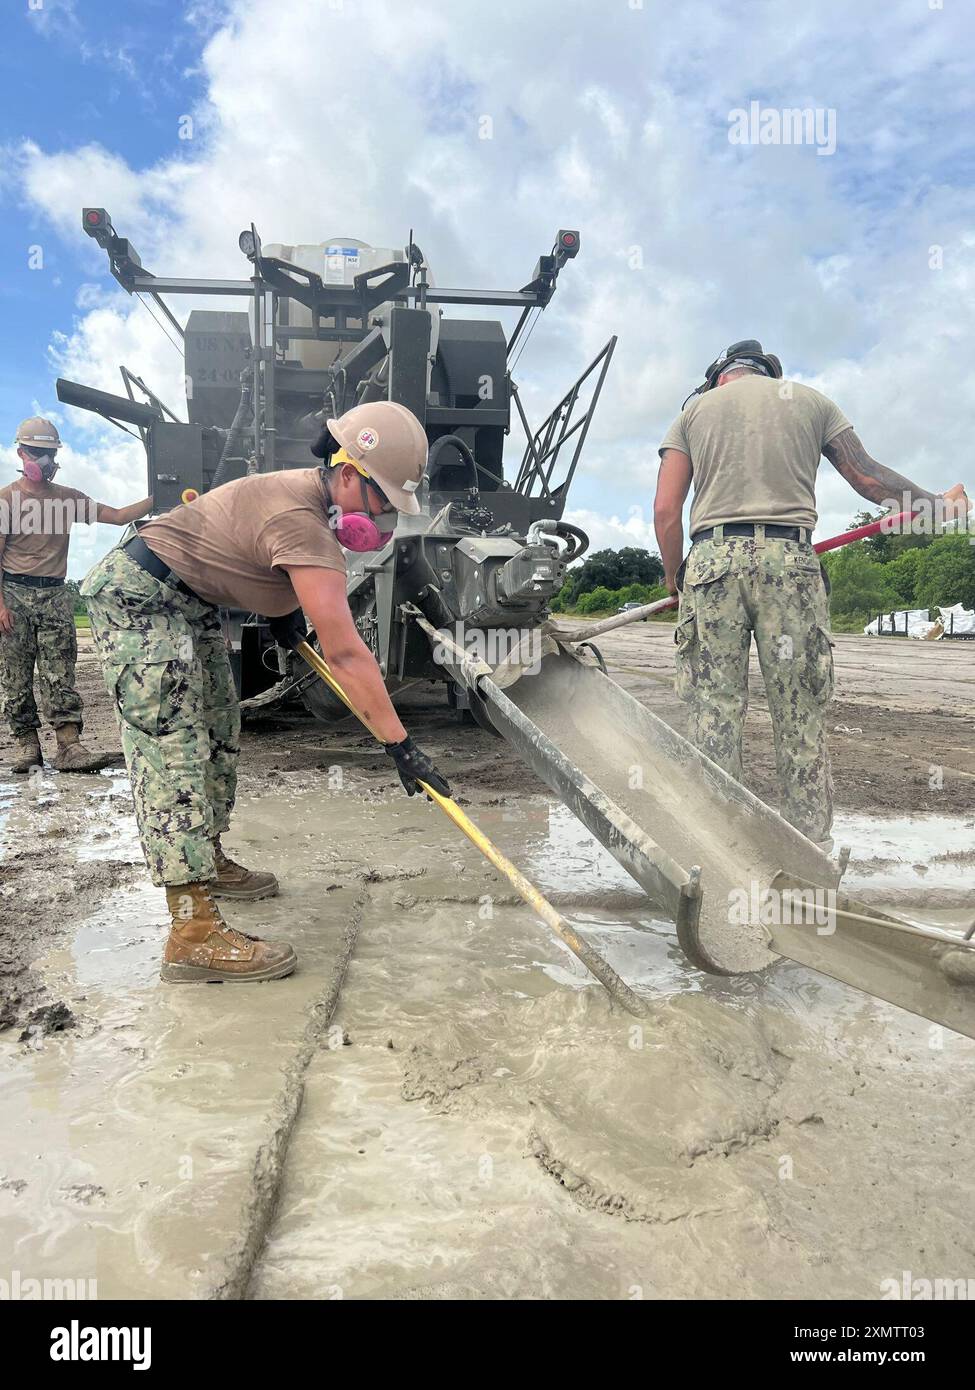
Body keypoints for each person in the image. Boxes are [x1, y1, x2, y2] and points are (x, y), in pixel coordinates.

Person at [80, 400, 451, 985]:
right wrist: (400, 746)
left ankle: (208, 856)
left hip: (192, 602)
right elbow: (347, 653)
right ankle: (192, 931)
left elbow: (240, 550)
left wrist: (279, 607)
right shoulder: (300, 519)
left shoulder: (315, 499)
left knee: (220, 731)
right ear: (348, 472)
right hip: (141, 600)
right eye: (382, 501)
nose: (382, 519)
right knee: (172, 749)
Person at [654, 340, 969, 848]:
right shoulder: (810, 401)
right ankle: (808, 856)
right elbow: (868, 478)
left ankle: (718, 849)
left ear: (719, 376)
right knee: (800, 717)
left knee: (714, 715)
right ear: (769, 373)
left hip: (712, 565)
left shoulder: (693, 411)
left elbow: (667, 510)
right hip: (790, 562)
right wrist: (938, 507)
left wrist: (675, 580)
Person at [0, 416, 153, 773]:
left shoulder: (68, 499)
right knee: (15, 676)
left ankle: (69, 746)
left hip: (54, 594)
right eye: (37, 452)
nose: (44, 460)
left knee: (60, 673)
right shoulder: (6, 500)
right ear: (21, 452)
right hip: (14, 593)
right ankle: (27, 748)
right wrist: (0, 605)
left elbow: (117, 516)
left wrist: (161, 495)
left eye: (49, 453)